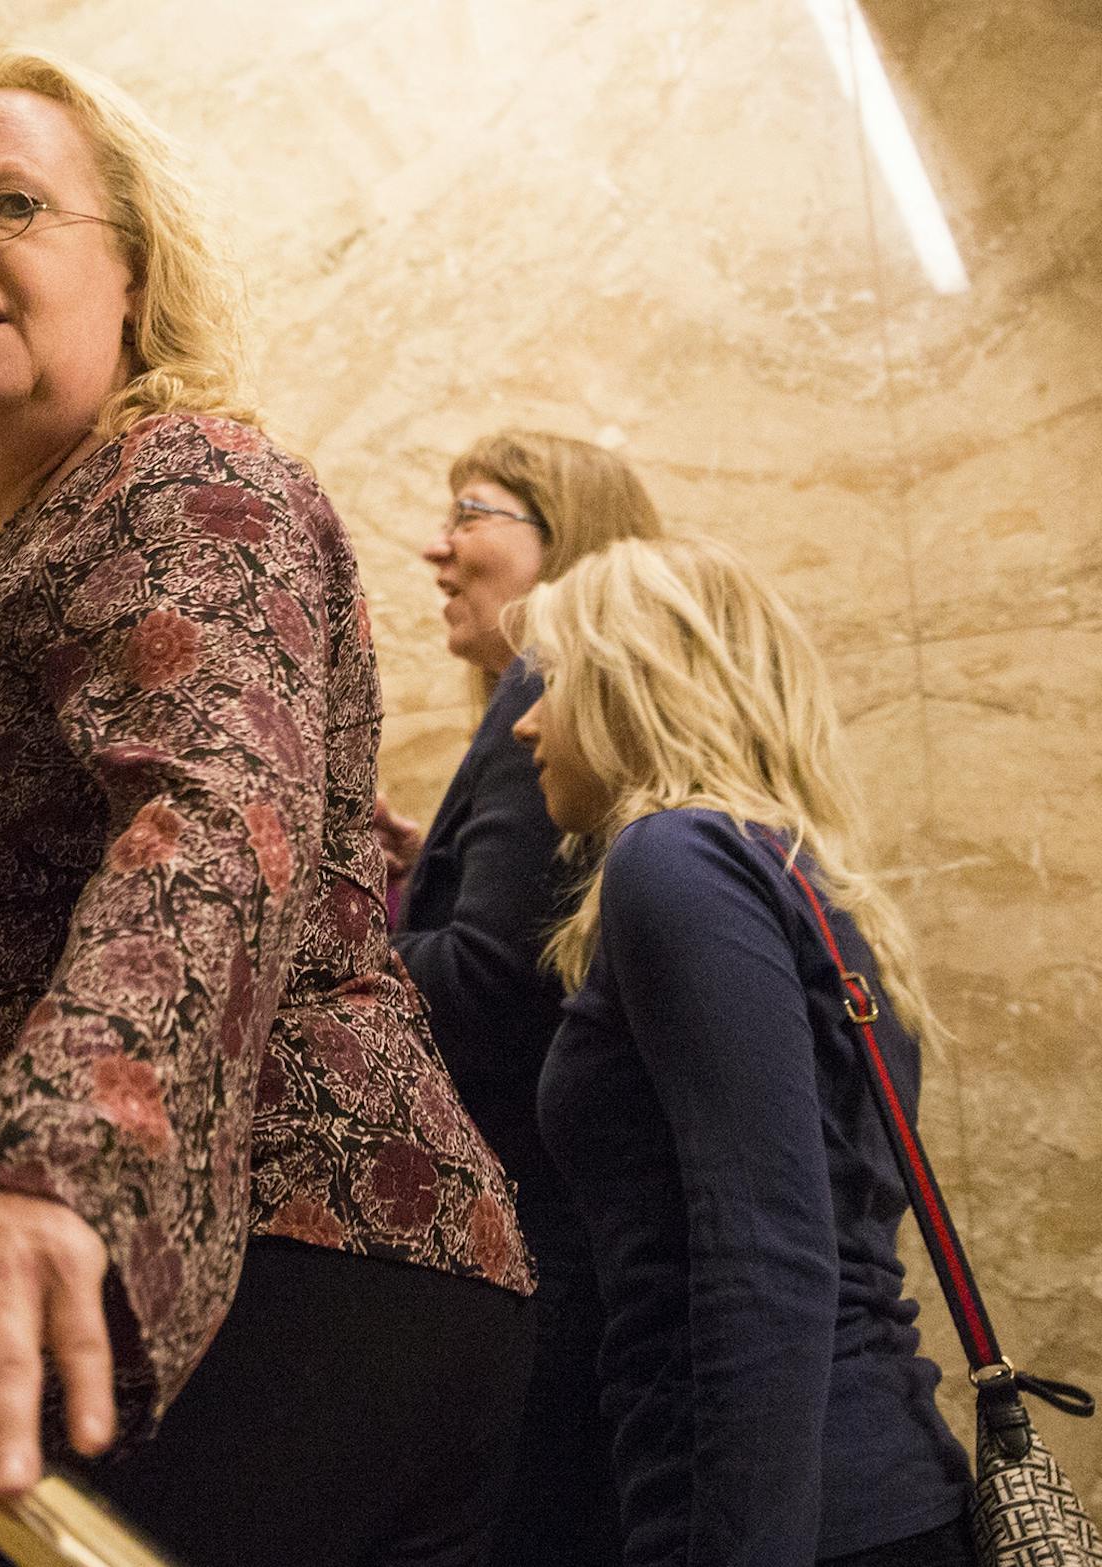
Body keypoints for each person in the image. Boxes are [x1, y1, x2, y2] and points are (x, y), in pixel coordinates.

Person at [0, 50, 534, 1566]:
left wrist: (41, 1169)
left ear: (131, 275)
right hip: (162, 1295)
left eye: (12, 203)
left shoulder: (193, 475)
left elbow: (216, 821)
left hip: (273, 1273)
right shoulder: (51, 540)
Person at [512, 537, 974, 1565]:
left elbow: (766, 1246)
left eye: (553, 683)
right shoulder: (793, 877)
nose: (527, 723)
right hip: (860, 1494)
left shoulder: (673, 858)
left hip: (792, 1518)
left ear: (632, 687)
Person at [376, 430, 663, 1565]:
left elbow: (489, 990)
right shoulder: (547, 710)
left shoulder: (542, 690)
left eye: (474, 513)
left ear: (567, 546)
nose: (437, 547)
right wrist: (415, 879)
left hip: (538, 1267)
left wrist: (314, 942)